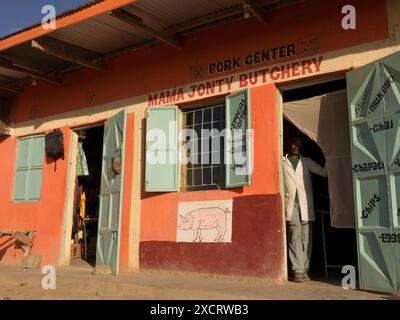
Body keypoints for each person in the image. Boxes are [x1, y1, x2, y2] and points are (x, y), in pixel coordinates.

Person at [283, 137, 327, 282]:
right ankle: (297, 270)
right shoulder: (282, 163)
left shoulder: (306, 162)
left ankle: (305, 269)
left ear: (301, 146)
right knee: (294, 235)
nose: (295, 146)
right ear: (288, 145)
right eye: (293, 144)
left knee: (306, 239)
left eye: (297, 144)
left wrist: (328, 157)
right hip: (291, 205)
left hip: (306, 205)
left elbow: (323, 173)